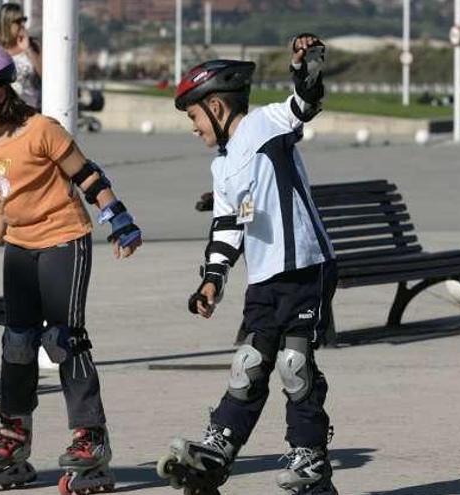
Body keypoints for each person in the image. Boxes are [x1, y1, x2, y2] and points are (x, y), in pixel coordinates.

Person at [0, 42, 142, 493]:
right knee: (18, 343)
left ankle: (90, 437)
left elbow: (88, 176)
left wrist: (119, 220)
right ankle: (14, 435)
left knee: (63, 337)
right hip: (20, 245)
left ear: (1, 94)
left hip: (65, 238)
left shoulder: (42, 130)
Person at [156, 34, 338, 495]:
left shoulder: (265, 125)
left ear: (216, 107)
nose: (193, 127)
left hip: (305, 268)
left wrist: (307, 67)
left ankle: (310, 460)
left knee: (295, 366)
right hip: (263, 276)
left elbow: (305, 104)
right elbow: (227, 225)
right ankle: (218, 452)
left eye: (195, 116)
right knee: (249, 364)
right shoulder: (222, 166)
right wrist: (212, 280)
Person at [0, 3, 42, 248]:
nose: (22, 26)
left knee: (22, 173)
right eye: (17, 21)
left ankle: (7, 229)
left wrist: (27, 50)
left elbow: (47, 73)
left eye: (23, 20)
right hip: (1, 118)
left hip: (28, 115)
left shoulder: (30, 46)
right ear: (5, 23)